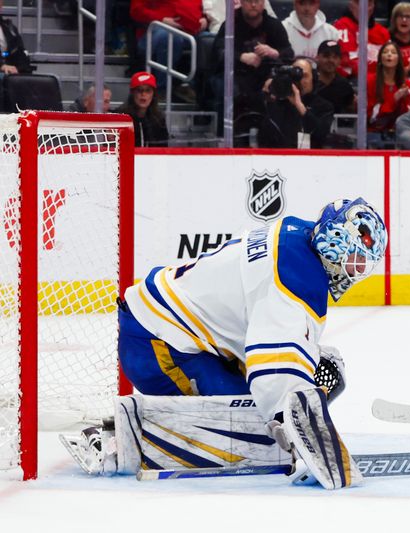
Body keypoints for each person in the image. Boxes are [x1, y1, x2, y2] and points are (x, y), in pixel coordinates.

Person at [61, 198, 388, 490]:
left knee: (308, 372)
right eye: (355, 259)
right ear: (333, 245)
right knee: (252, 429)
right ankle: (118, 439)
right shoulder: (296, 278)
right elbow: (274, 373)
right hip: (158, 345)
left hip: (176, 331)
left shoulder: (298, 236)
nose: (358, 272)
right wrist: (296, 429)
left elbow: (259, 329)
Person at [211, 0, 293, 142]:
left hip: (265, 77)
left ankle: (277, 139)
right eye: (249, 1)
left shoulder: (274, 25)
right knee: (225, 87)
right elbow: (218, 52)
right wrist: (241, 57)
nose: (253, 5)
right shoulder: (230, 24)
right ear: (241, 3)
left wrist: (274, 52)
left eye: (257, 1)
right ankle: (224, 137)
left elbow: (289, 53)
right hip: (236, 76)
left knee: (280, 86)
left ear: (263, 3)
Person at [129, 0, 206, 97]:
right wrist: (162, 19)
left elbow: (205, 8)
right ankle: (161, 90)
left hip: (190, 32)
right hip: (154, 30)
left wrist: (205, 18)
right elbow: (136, 11)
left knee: (207, 40)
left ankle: (190, 88)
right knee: (170, 37)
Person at [258, 57, 334, 149]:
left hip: (312, 159)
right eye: (295, 77)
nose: (300, 80)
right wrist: (268, 96)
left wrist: (301, 108)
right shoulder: (277, 104)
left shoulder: (324, 106)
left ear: (313, 79)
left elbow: (322, 136)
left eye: (305, 76)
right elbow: (263, 139)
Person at [367, 41, 410, 148]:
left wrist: (403, 100)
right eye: (385, 52)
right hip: (374, 133)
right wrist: (394, 100)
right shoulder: (370, 81)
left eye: (393, 52)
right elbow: (372, 118)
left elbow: (409, 115)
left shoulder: (407, 85)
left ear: (399, 59)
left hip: (400, 134)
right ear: (380, 58)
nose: (389, 54)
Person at [333, 0, 390, 79]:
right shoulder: (342, 26)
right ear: (350, 6)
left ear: (373, 6)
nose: (364, 7)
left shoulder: (383, 32)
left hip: (380, 80)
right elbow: (348, 61)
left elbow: (392, 62)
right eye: (358, 3)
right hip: (353, 81)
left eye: (369, 3)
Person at [115, 71, 169, 147]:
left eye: (148, 91)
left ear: (153, 94)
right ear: (132, 93)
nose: (143, 94)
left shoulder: (159, 119)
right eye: (139, 90)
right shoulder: (121, 116)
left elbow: (163, 148)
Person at [316, 40, 356, 114]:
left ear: (340, 60)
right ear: (317, 57)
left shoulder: (344, 85)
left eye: (335, 57)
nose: (331, 60)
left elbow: (350, 112)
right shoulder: (309, 81)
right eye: (326, 56)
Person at [0, 0, 33, 75]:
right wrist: (1, 66)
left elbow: (14, 51)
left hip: (10, 75)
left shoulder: (9, 28)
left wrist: (21, 67)